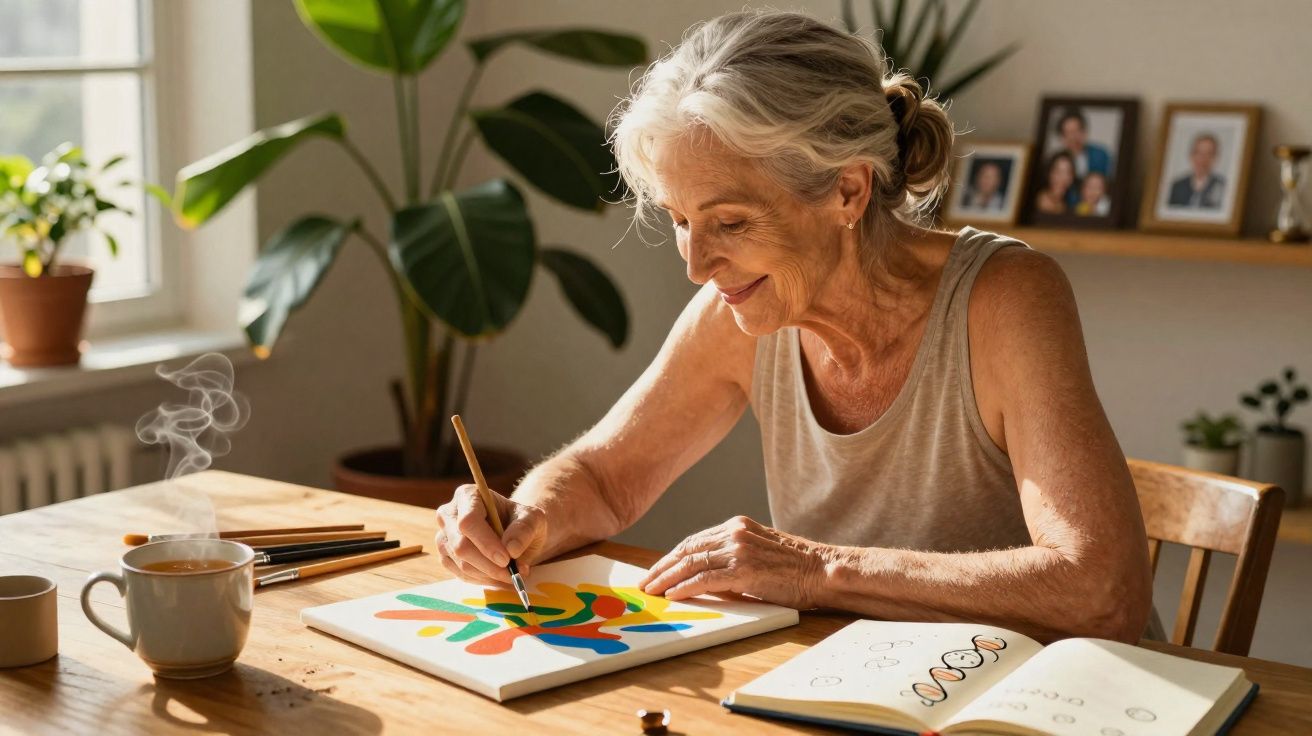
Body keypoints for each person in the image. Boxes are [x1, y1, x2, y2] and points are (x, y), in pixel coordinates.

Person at [434, 10, 1152, 643]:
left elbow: (1099, 592)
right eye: (681, 220)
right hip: (868, 693)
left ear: (847, 189)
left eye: (730, 222)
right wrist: (525, 520)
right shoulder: (743, 312)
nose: (698, 264)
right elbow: (603, 476)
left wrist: (820, 570)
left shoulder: (1005, 298)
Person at [1168, 133, 1226, 209]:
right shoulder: (1177, 186)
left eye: (1209, 154)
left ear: (1215, 158)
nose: (1203, 159)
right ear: (1191, 156)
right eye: (1199, 153)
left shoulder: (1223, 186)